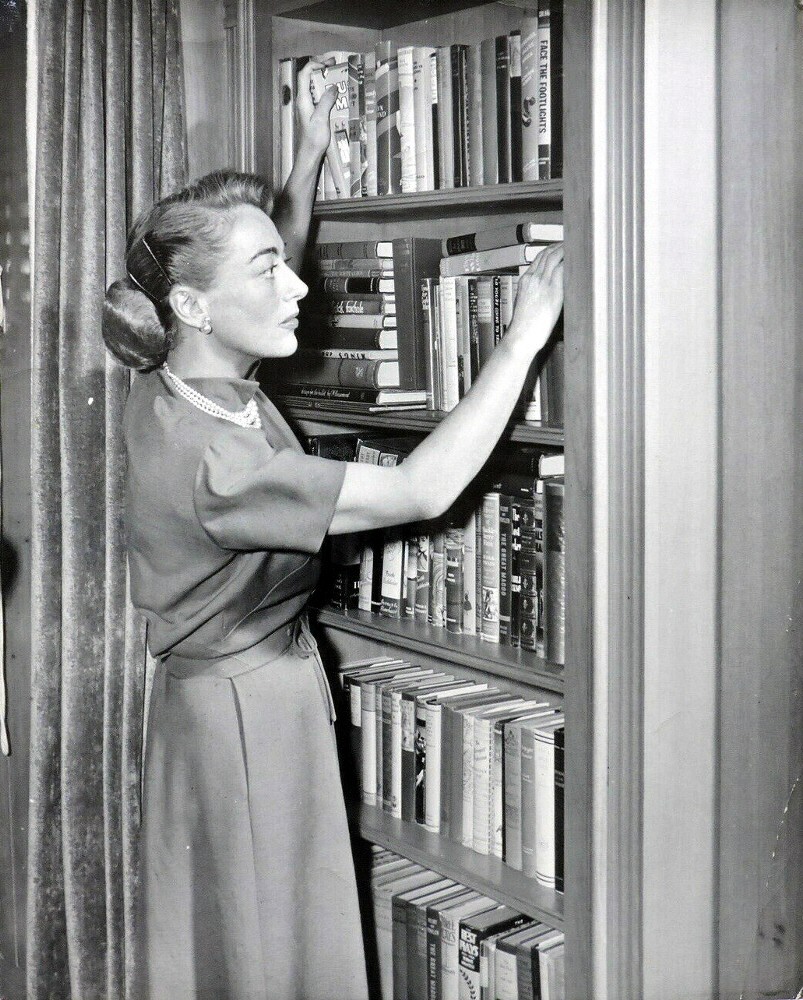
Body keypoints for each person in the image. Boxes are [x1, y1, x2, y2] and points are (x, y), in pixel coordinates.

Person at [103, 60, 563, 1000]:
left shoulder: (185, 379)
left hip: (230, 697)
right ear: (191, 305)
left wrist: (306, 156)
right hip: (244, 714)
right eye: (268, 270)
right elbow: (423, 491)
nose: (298, 289)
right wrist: (520, 335)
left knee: (250, 931)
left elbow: (262, 280)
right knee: (270, 942)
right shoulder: (217, 459)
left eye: (282, 261)